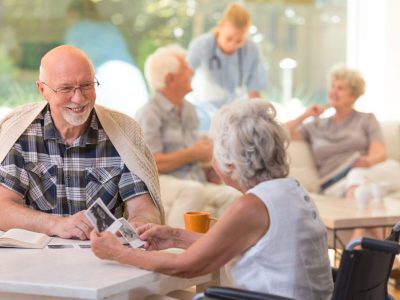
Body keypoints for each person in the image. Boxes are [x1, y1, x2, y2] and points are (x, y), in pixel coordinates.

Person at [91, 100, 333, 300]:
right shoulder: (288, 191)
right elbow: (226, 243)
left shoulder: (252, 206)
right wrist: (173, 236)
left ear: (230, 162)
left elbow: (186, 266)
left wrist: (118, 254)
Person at [0, 45, 163, 240]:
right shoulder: (20, 131)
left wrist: (136, 227)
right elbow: (3, 208)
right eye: (66, 88)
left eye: (86, 85)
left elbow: (144, 208)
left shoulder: (124, 132)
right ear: (42, 90)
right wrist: (57, 225)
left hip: (105, 257)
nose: (78, 99)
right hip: (35, 259)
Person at [136, 44, 241, 228]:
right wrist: (193, 154)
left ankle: (227, 255)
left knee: (234, 196)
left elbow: (195, 153)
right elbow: (150, 164)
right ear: (170, 78)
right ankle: (175, 251)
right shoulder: (149, 113)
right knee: (193, 191)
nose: (192, 72)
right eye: (186, 69)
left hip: (194, 180)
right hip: (159, 182)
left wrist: (210, 168)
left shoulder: (189, 109)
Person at [286, 64, 400, 200]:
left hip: (366, 172)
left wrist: (368, 161)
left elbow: (379, 153)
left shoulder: (367, 119)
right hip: (335, 182)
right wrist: (305, 115)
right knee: (356, 178)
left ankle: (367, 192)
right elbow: (278, 133)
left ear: (354, 96)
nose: (334, 91)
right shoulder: (315, 125)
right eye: (333, 87)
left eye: (340, 88)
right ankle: (367, 194)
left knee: (389, 167)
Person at [187, 3, 267, 131]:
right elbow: (184, 79)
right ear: (221, 26)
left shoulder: (251, 49)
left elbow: (254, 92)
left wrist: (262, 121)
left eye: (239, 40)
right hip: (203, 113)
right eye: (228, 38)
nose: (233, 45)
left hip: (236, 116)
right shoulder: (201, 45)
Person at [64, 0, 148, 117]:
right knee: (136, 127)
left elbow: (69, 66)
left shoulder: (76, 30)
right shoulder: (110, 28)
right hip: (132, 76)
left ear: (73, 14)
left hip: (105, 77)